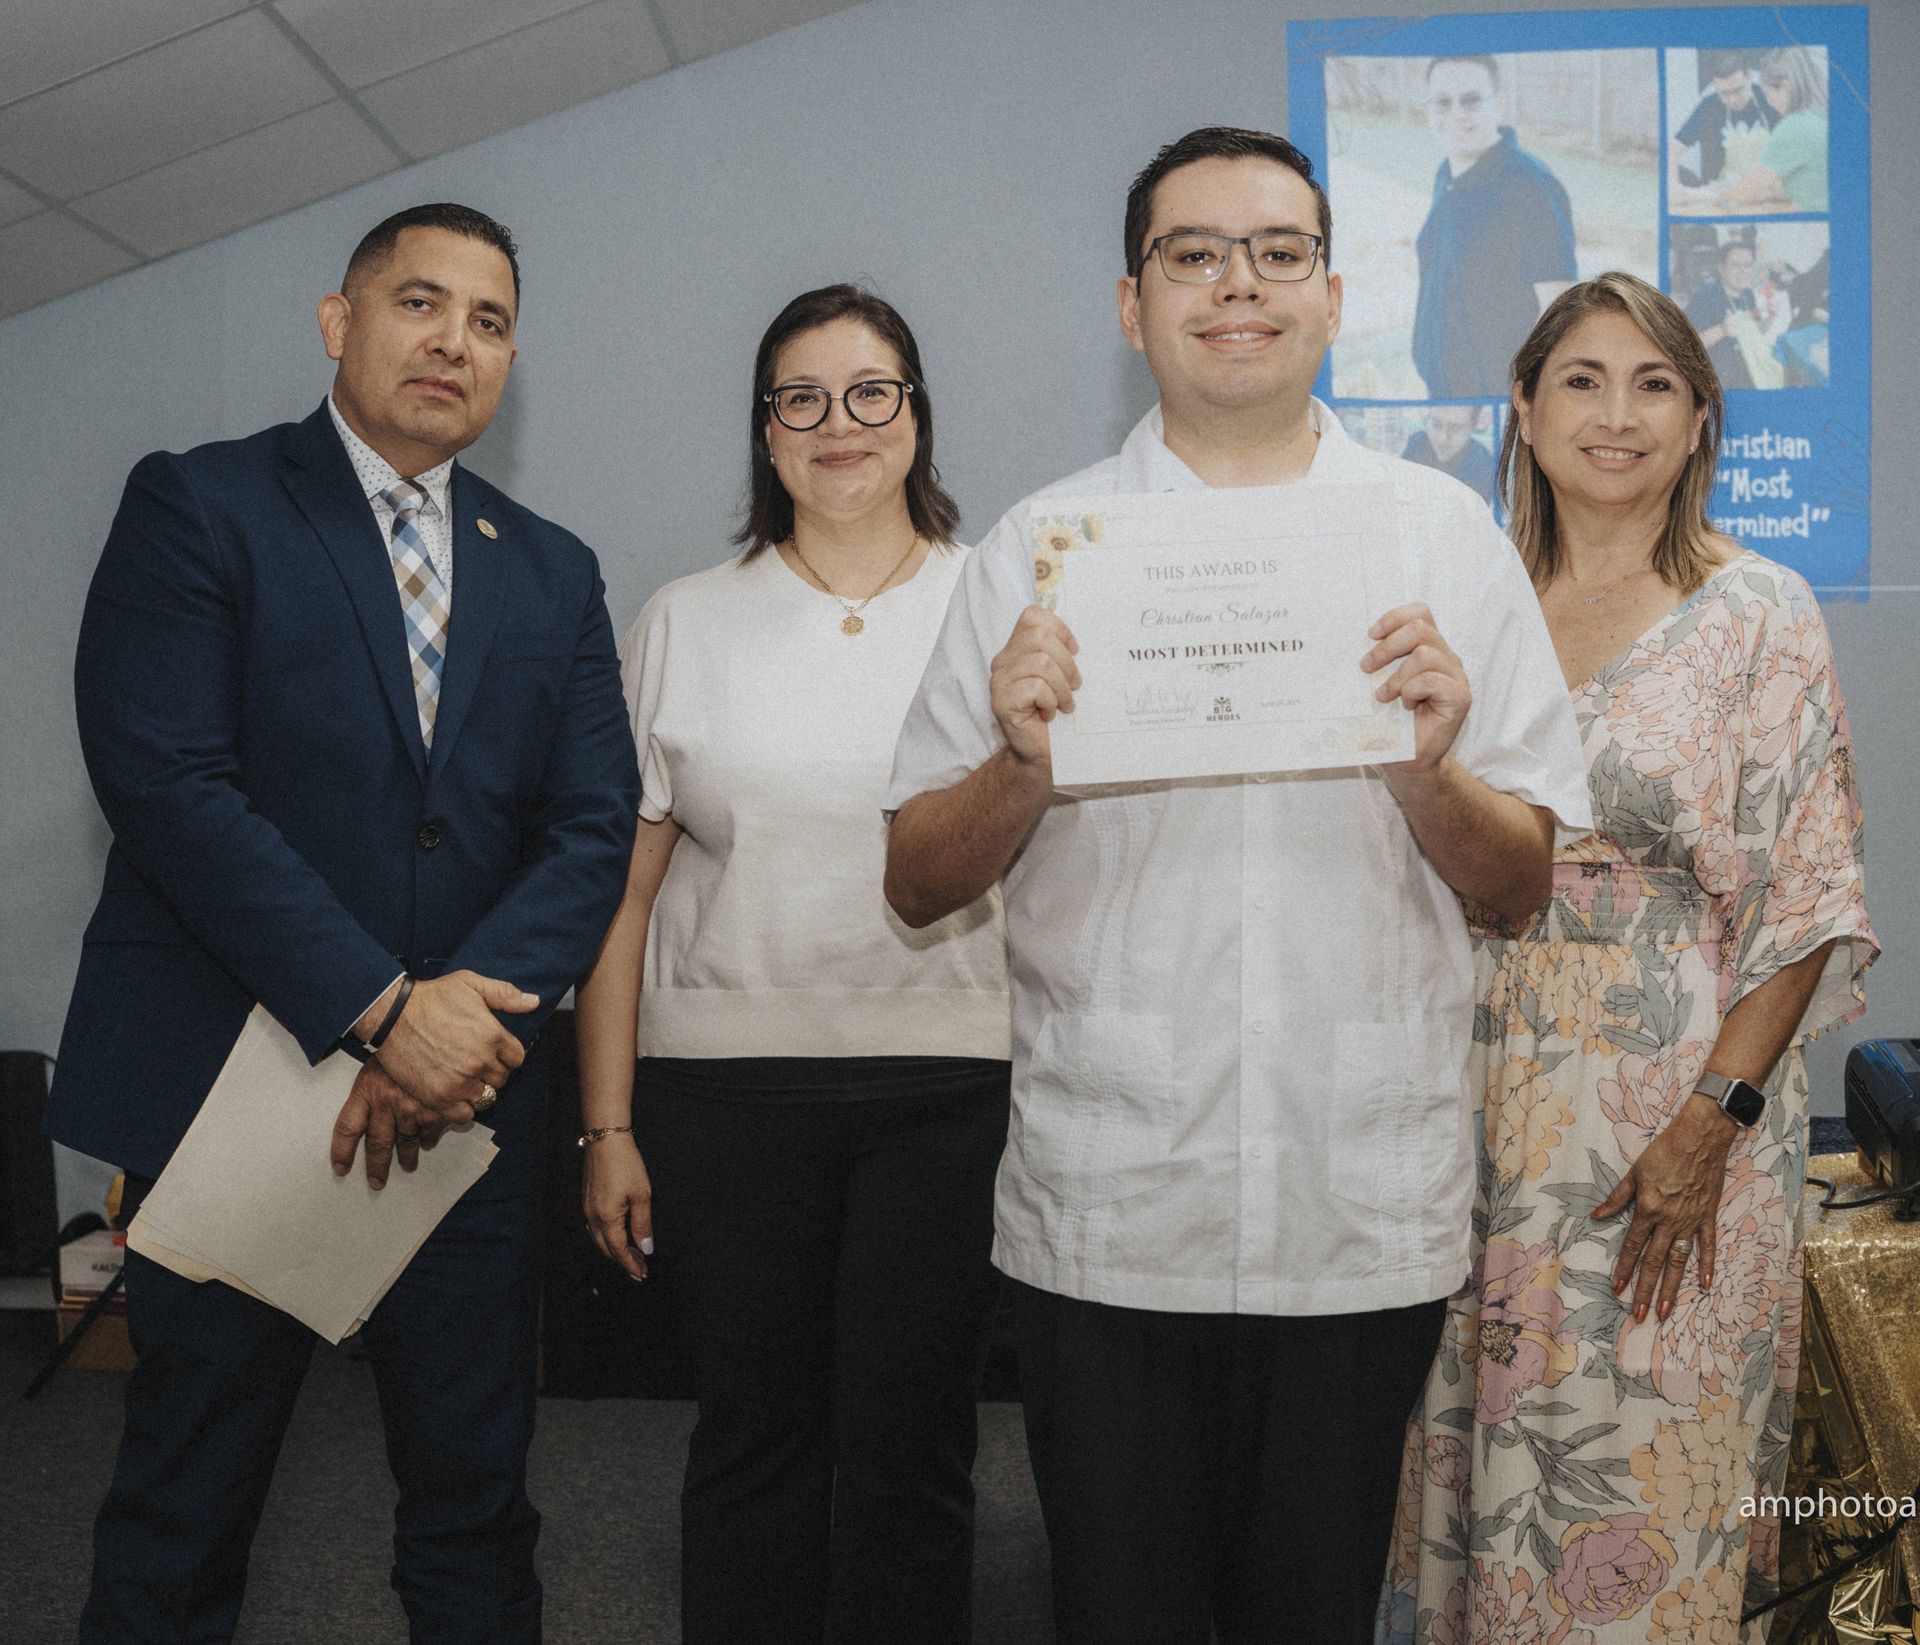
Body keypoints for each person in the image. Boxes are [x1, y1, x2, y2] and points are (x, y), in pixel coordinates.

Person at [883, 126, 1592, 1644]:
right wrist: (1020, 762)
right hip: (1113, 1204)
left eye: (1276, 252)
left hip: (1357, 1202)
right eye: (1191, 253)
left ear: (1333, 296)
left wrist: (1425, 769)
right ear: (1131, 306)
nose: (1237, 285)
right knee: (1124, 1610)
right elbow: (916, 878)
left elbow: (1523, 880)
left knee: (1310, 1611)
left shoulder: (1443, 538)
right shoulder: (1039, 552)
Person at [47, 203, 641, 1644]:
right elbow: (170, 787)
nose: (454, 341)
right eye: (421, 302)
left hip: (467, 1110)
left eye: (489, 321)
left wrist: (454, 1024)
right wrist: (384, 1008)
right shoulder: (201, 503)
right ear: (340, 319)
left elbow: (591, 823)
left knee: (476, 1499)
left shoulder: (551, 566)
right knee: (186, 1499)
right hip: (231, 1083)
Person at [1383, 272, 1875, 1643]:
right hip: (1456, 1109)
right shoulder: (1455, 611)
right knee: (1456, 1484)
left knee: (1639, 1507)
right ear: (1525, 414)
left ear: (1702, 421)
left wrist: (1712, 1122)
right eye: (1582, 381)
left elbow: (1807, 895)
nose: (1617, 413)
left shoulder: (1760, 611)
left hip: (1673, 1127)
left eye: (1654, 382)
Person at [573, 285, 1012, 1644]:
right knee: (754, 1440)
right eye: (800, 399)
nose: (838, 424)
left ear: (918, 417)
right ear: (765, 435)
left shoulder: (1003, 604)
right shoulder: (683, 622)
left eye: (871, 391)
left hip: (953, 1091)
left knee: (915, 1450)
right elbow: (622, 902)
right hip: (726, 1097)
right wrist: (607, 1125)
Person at [1413, 55, 1578, 398]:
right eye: (1443, 102)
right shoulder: (1447, 174)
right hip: (1444, 393)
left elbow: (1559, 309)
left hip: (1499, 401)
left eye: (1471, 100)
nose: (1457, 114)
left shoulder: (1529, 184)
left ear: (1498, 106)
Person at [1717, 45, 1829, 212]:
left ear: (1785, 86)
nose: (1769, 102)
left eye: (1768, 94)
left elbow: (1741, 194)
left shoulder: (1794, 126)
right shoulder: (1820, 116)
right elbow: (1809, 184)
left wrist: (1699, 193)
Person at [1669, 51, 1777, 191]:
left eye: (1738, 90)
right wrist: (1672, 183)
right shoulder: (1709, 106)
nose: (1732, 99)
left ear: (1749, 76)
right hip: (1727, 194)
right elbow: (1673, 149)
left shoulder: (1771, 99)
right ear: (1715, 83)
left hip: (1770, 193)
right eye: (1724, 93)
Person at [1684, 238, 1767, 390]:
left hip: (1747, 366)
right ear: (1721, 268)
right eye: (1735, 265)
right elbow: (1686, 347)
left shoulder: (1748, 294)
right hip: (1716, 378)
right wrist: (1723, 330)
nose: (1743, 271)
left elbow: (1757, 327)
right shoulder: (1705, 297)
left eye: (1748, 266)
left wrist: (1772, 314)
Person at [1402, 404, 1498, 503]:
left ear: (1472, 427)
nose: (1442, 439)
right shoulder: (1416, 443)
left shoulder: (1484, 466)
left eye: (1455, 428)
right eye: (1436, 424)